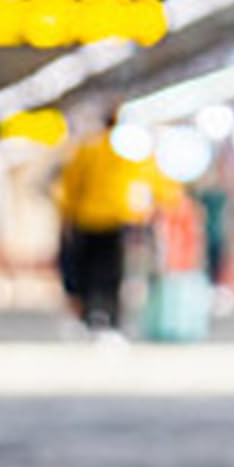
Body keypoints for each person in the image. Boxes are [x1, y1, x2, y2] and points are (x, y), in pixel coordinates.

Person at [53, 110, 155, 336]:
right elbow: (140, 184)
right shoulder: (128, 153)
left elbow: (72, 184)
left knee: (87, 269)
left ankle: (90, 314)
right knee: (112, 270)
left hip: (87, 217)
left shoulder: (87, 149)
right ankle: (113, 317)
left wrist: (67, 214)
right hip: (115, 218)